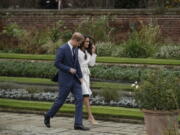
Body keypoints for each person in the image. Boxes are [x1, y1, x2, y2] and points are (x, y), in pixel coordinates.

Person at [44, 32, 89, 131]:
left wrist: (81, 78)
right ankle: (48, 115)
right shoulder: (62, 49)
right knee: (60, 101)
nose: (79, 45)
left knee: (79, 99)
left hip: (75, 80)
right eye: (79, 43)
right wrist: (68, 69)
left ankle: (78, 124)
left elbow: (76, 64)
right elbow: (57, 63)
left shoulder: (75, 49)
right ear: (74, 40)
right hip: (65, 80)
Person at [78, 35, 98, 125]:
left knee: (84, 97)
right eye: (86, 41)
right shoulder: (77, 51)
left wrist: (93, 53)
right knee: (86, 95)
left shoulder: (87, 52)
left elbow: (92, 64)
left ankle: (79, 117)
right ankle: (90, 116)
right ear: (82, 42)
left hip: (86, 75)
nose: (88, 43)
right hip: (79, 75)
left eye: (88, 41)